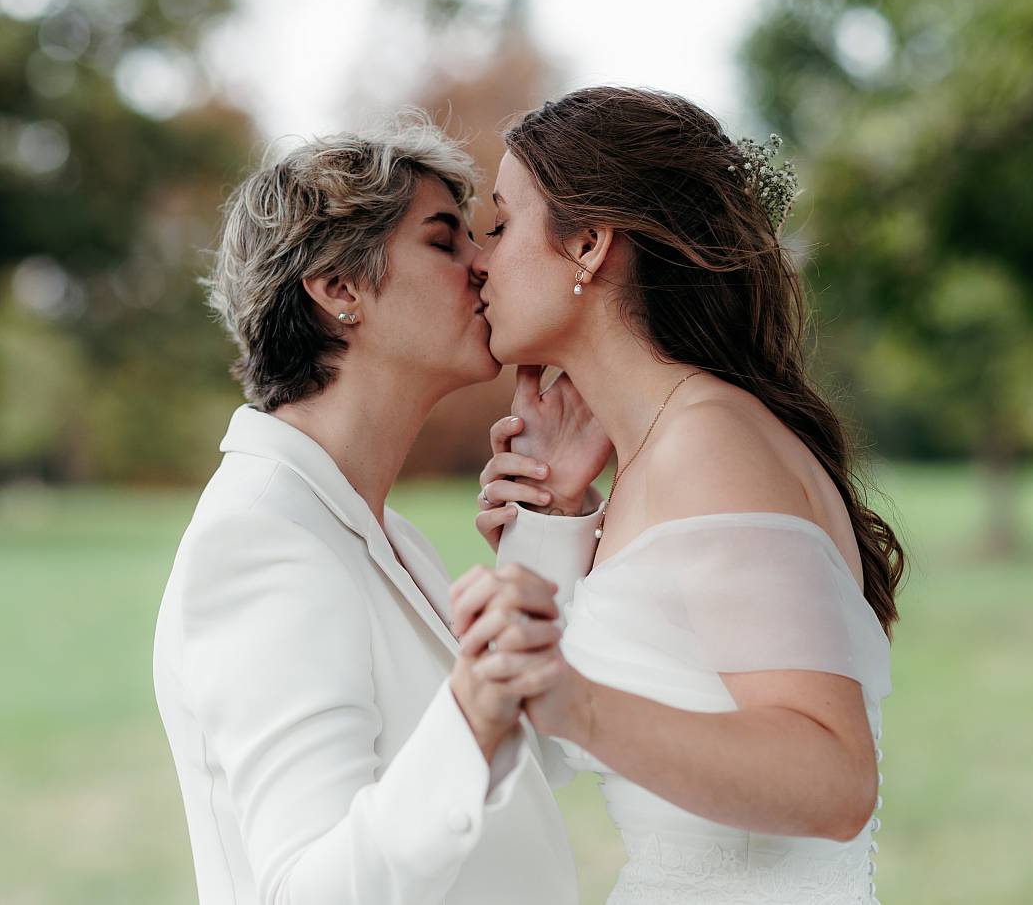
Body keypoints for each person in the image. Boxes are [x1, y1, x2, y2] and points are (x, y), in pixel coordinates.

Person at [451, 86, 906, 904]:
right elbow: (549, 752)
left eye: (501, 222)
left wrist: (572, 699)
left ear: (589, 243)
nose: (478, 260)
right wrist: (555, 523)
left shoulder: (711, 446)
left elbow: (834, 781)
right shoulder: (660, 459)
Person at [151, 115, 585, 905]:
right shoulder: (260, 541)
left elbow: (522, 759)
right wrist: (471, 708)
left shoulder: (377, 529)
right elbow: (306, 888)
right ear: (339, 289)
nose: (482, 264)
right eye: (444, 240)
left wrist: (547, 526)